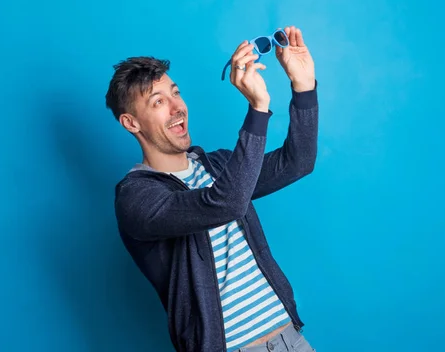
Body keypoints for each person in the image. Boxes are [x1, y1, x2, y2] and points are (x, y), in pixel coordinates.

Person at [105, 26, 319, 352]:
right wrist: (257, 108)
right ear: (131, 123)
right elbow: (225, 204)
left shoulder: (219, 166)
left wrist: (303, 87)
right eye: (158, 101)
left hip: (291, 339)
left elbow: (297, 161)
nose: (177, 107)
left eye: (175, 93)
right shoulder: (136, 198)